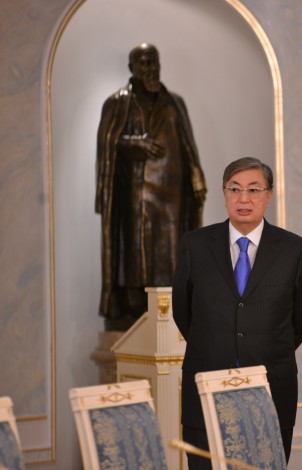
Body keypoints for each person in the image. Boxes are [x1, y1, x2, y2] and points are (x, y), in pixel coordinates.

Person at [172, 157, 302, 468]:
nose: (243, 198)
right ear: (224, 193)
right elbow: (182, 312)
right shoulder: (194, 245)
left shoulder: (294, 250)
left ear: (269, 195)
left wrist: (265, 346)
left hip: (272, 388)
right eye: (235, 189)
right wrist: (218, 345)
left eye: (253, 189)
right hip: (206, 384)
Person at [95, 43, 206, 331]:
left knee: (171, 247)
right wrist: (135, 144)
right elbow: (107, 144)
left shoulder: (174, 102)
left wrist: (196, 173)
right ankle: (135, 305)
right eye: (143, 64)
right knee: (137, 250)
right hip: (136, 191)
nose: (150, 69)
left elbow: (188, 143)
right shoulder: (117, 103)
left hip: (173, 191)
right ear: (131, 68)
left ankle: (172, 306)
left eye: (153, 62)